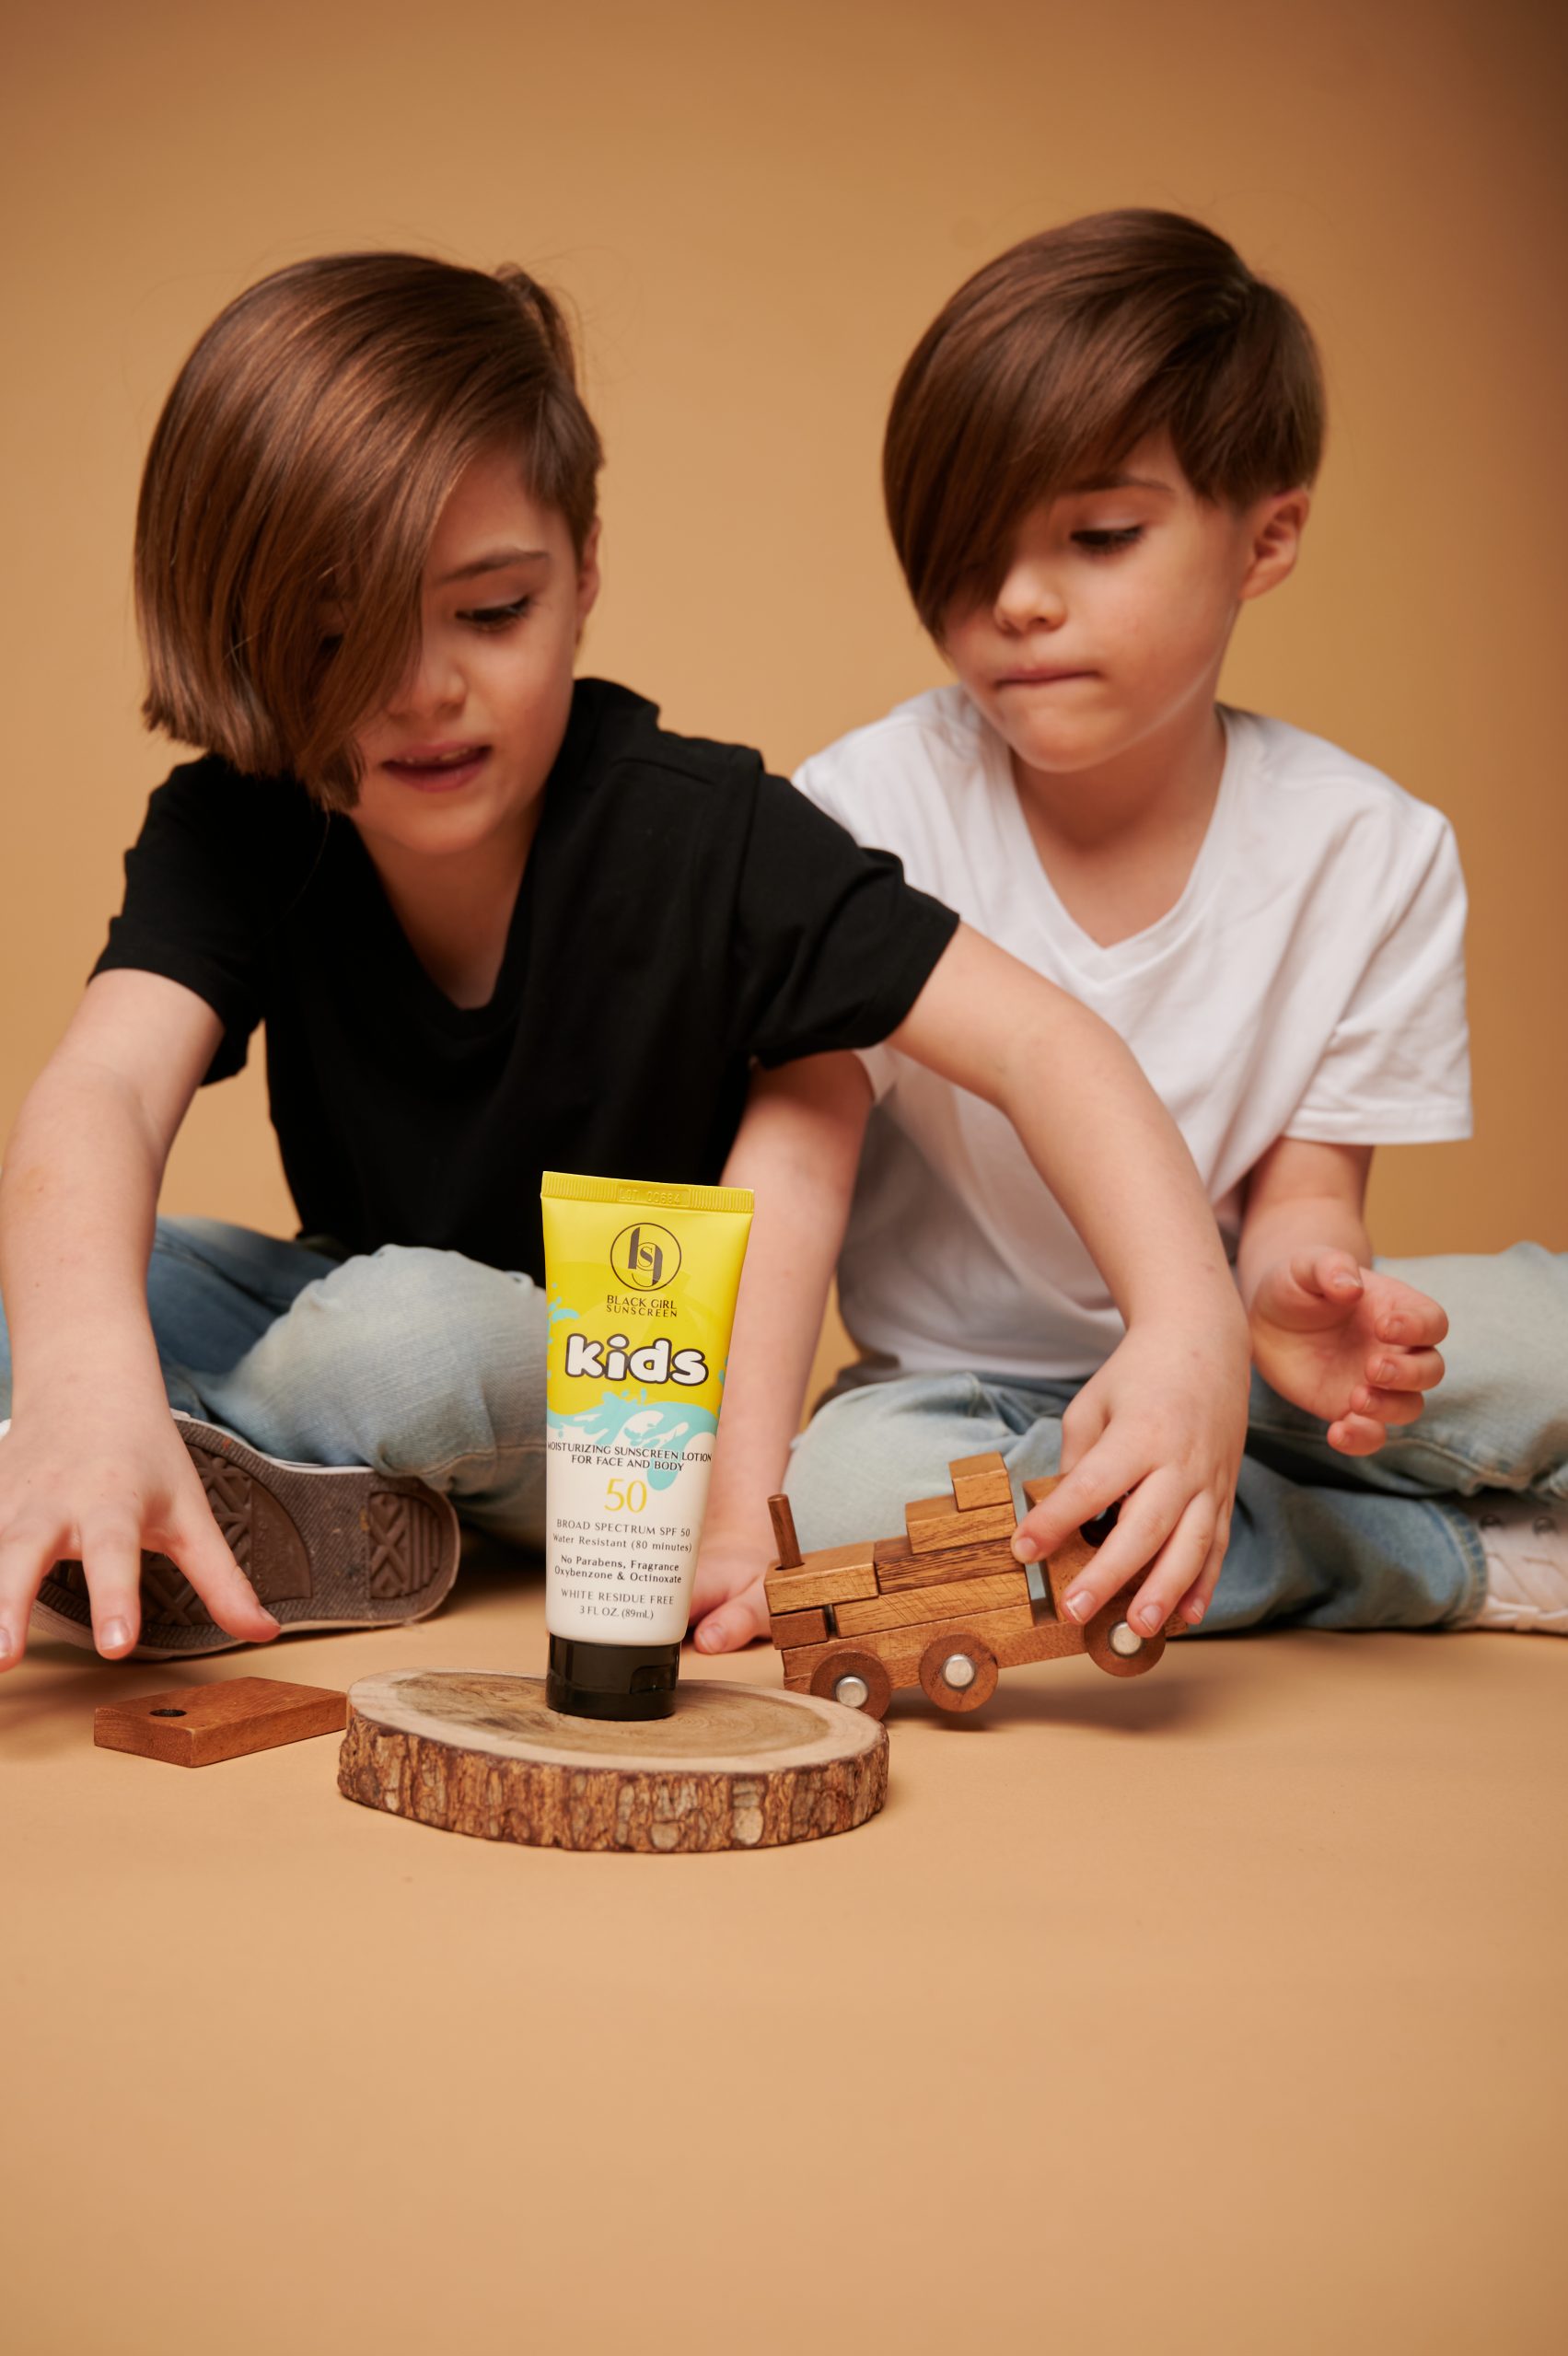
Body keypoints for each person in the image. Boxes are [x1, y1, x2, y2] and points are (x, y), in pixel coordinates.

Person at [0, 248, 1252, 1673]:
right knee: (68, 1277)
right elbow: (105, 1091)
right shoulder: (239, 823)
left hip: (627, 1419)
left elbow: (1042, 1041)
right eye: (340, 632)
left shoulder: (707, 832)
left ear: (585, 573)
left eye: (491, 612)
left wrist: (1189, 1326)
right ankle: (175, 1465)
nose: (423, 688)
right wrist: (83, 1367)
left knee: (405, 1338)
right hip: (349, 1315)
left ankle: (206, 1465)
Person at [698, 208, 1566, 1654]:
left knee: (1544, 1337)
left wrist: (1293, 1298)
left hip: (1242, 1369)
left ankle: (1226, 1486)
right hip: (960, 1401)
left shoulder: (1371, 849)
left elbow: (1308, 1199)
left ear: (1265, 537)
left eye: (1099, 538)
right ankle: (1435, 1557)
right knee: (850, 1514)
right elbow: (792, 1168)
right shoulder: (859, 812)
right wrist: (737, 1507)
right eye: (965, 555)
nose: (1018, 602)